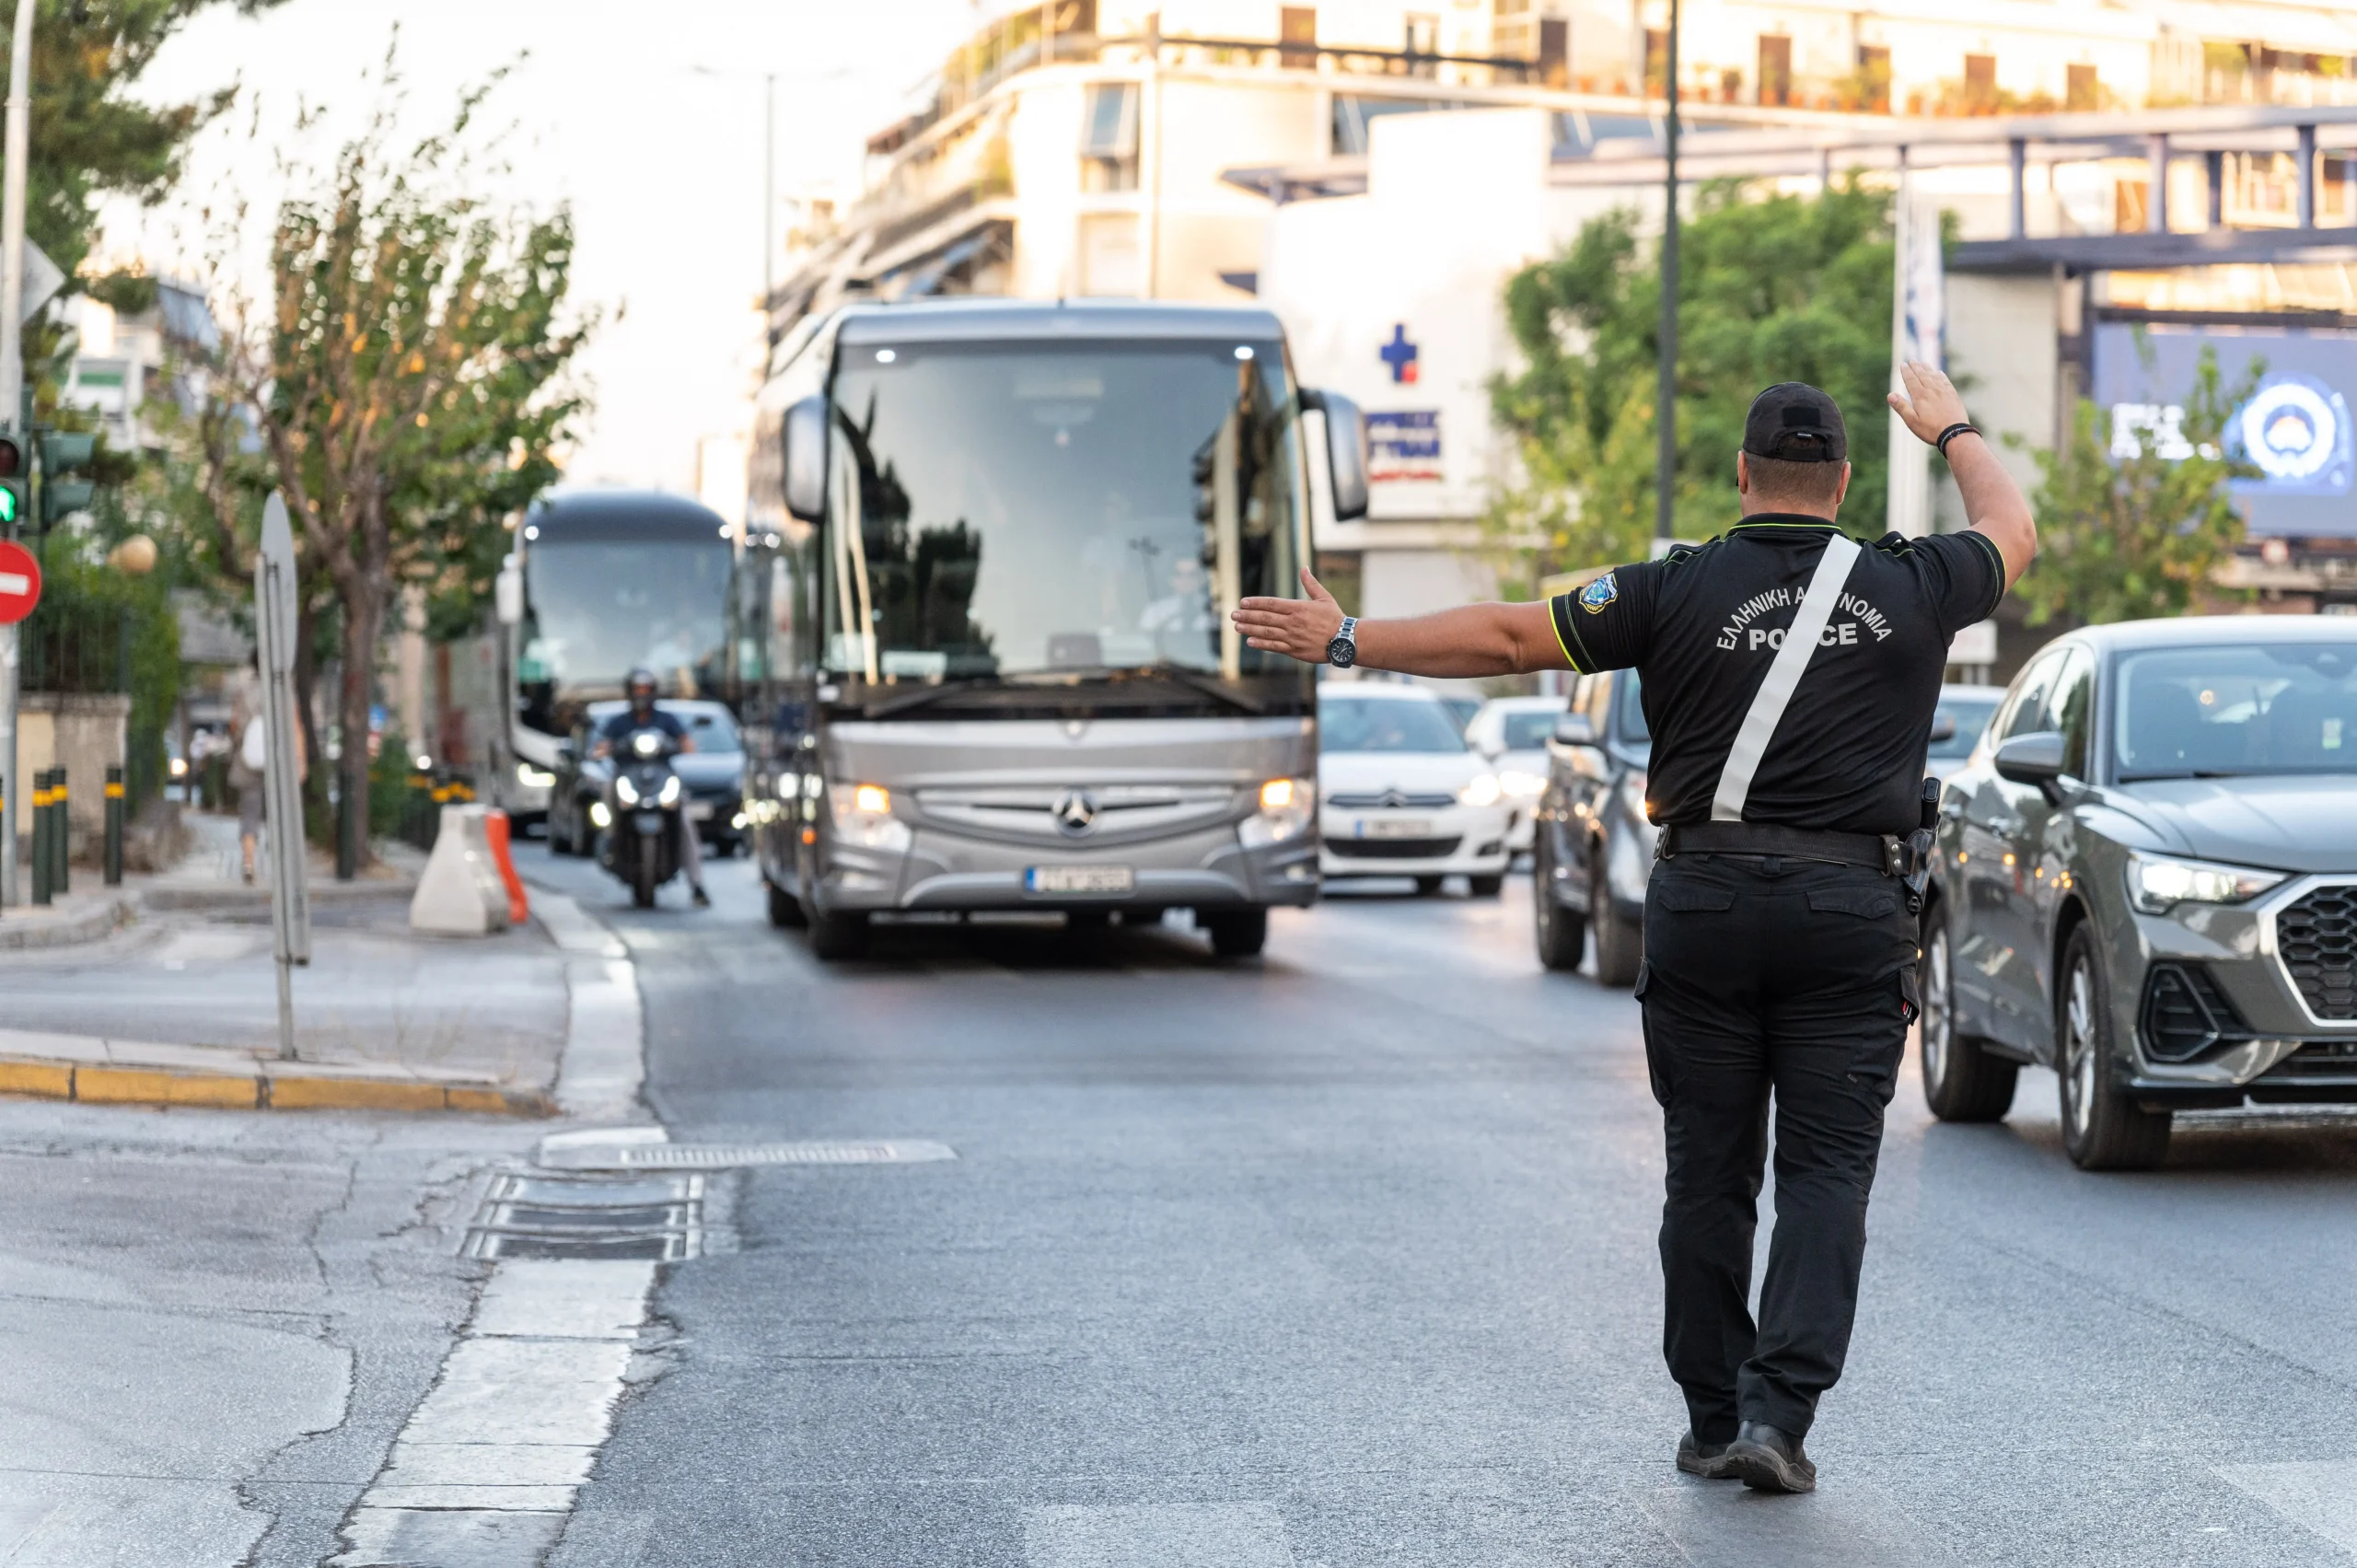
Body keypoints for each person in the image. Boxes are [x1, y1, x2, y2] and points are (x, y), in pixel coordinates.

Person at [1232, 363, 2035, 1494]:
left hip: (1702, 903)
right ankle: (1776, 1415)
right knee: (1826, 1174)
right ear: (1845, 481)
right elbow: (2012, 525)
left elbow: (1509, 638)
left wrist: (1350, 635)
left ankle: (1712, 1415)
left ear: (1743, 475)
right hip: (1848, 912)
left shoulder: (1673, 586)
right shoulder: (1913, 584)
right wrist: (1950, 424)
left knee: (1706, 1173)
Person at [594, 668, 710, 908]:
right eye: (637, 690)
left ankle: (697, 884)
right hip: (628, 778)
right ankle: (609, 841)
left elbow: (687, 744)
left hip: (661, 778)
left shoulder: (666, 720)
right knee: (607, 797)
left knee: (685, 822)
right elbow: (600, 747)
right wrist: (606, 750)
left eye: (646, 690)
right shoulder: (619, 723)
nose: (641, 695)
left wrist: (682, 746)